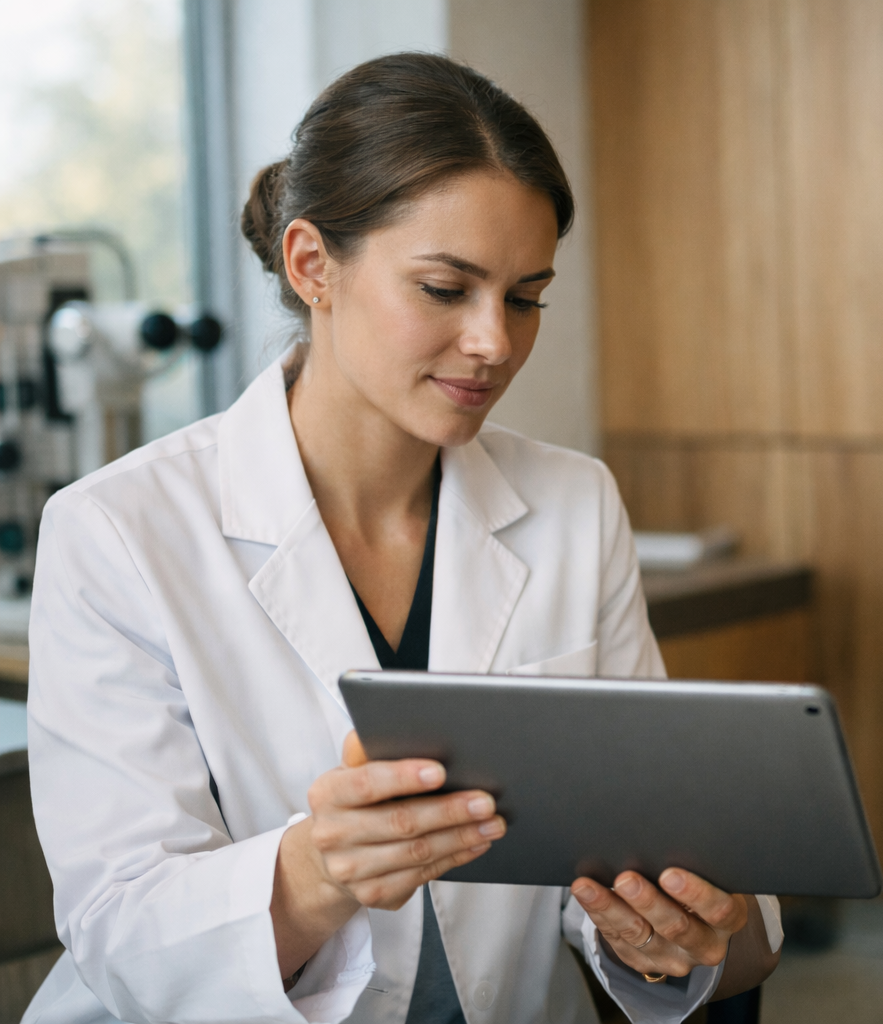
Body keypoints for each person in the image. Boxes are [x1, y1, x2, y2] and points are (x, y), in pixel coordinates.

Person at [23, 53, 780, 1024]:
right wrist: (312, 871)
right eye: (443, 288)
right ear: (311, 265)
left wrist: (646, 931)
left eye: (524, 296)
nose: (493, 342)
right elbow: (120, 933)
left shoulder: (574, 503)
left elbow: (616, 848)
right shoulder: (119, 530)